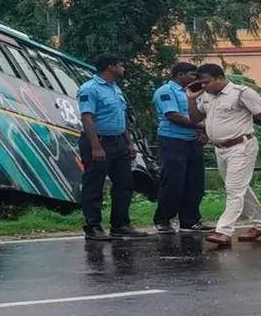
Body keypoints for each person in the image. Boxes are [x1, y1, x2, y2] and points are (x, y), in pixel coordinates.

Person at [187, 64, 261, 247]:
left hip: (241, 146)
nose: (204, 86)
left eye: (206, 82)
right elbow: (194, 119)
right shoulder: (206, 95)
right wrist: (191, 100)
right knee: (239, 188)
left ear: (219, 78)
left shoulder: (242, 93)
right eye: (201, 83)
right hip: (220, 148)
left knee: (234, 190)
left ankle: (223, 231)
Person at [77, 55, 148, 241]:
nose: (123, 69)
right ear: (111, 67)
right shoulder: (90, 89)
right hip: (99, 142)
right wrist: (96, 146)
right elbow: (87, 118)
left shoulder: (115, 88)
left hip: (119, 142)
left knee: (125, 183)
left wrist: (129, 142)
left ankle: (120, 225)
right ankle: (93, 227)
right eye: (121, 65)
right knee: (94, 184)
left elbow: (121, 117)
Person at [151, 62, 211, 233]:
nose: (196, 78)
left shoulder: (194, 92)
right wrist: (201, 126)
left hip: (193, 141)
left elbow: (201, 113)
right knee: (173, 182)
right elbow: (173, 116)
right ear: (180, 75)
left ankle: (190, 220)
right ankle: (163, 219)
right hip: (173, 141)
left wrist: (203, 132)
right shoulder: (165, 92)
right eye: (193, 75)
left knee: (195, 183)